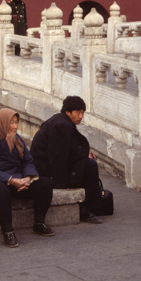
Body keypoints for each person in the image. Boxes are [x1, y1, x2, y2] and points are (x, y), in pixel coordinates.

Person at [0, 108, 54, 248]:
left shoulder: (17, 139)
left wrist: (28, 178)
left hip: (17, 181)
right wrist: (11, 180)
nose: (15, 126)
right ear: (2, 123)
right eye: (11, 123)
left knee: (45, 183)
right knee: (0, 191)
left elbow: (28, 161)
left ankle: (39, 222)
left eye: (16, 122)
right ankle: (8, 230)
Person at [30, 96, 103, 224]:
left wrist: (84, 154)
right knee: (90, 166)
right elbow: (58, 157)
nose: (81, 116)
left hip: (47, 168)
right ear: (68, 112)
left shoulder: (62, 121)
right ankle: (87, 210)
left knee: (88, 164)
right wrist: (60, 184)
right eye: (78, 112)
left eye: (82, 113)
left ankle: (89, 207)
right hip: (47, 172)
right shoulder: (61, 125)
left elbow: (69, 149)